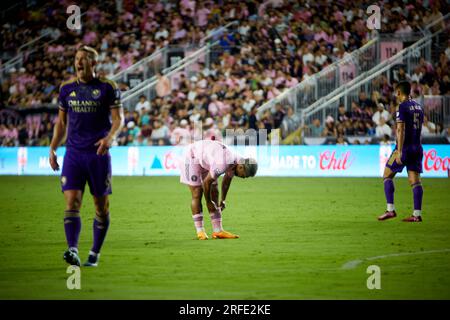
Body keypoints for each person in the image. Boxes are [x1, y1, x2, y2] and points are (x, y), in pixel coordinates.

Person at [49, 46, 124, 266]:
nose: (79, 62)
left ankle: (94, 253)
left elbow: (119, 119)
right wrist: (53, 147)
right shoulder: (66, 88)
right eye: (76, 59)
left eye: (84, 59)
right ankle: (72, 249)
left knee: (101, 207)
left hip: (98, 154)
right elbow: (61, 123)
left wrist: (109, 138)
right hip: (73, 154)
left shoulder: (107, 87)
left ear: (94, 63)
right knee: (72, 203)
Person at [179, 139, 258, 240]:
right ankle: (200, 231)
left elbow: (226, 180)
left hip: (205, 158)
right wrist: (208, 202)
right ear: (241, 167)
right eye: (245, 176)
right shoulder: (224, 163)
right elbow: (206, 182)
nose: (244, 178)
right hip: (191, 157)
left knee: (214, 190)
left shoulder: (238, 161)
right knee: (197, 192)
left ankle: (218, 231)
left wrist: (223, 200)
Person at [378, 81, 424, 222]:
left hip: (404, 148)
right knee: (415, 181)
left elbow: (400, 129)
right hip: (417, 147)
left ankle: (390, 210)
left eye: (396, 93)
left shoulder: (402, 107)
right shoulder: (418, 107)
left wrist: (399, 151)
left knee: (387, 175)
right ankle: (416, 214)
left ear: (399, 92)